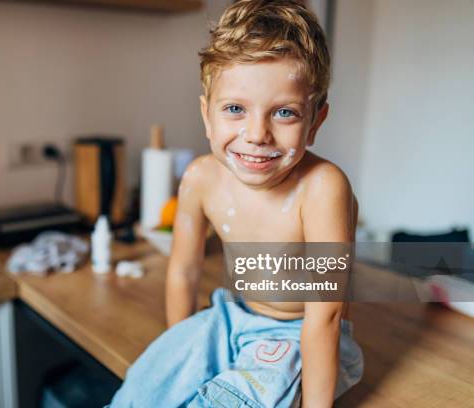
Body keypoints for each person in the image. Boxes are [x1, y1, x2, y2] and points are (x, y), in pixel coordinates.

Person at [109, 1, 363, 406]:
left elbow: (326, 315)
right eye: (234, 109)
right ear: (207, 115)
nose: (257, 134)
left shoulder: (322, 189)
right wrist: (186, 352)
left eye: (284, 112)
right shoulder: (199, 179)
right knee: (142, 389)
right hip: (228, 317)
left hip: (296, 335)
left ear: (315, 122)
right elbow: (184, 271)